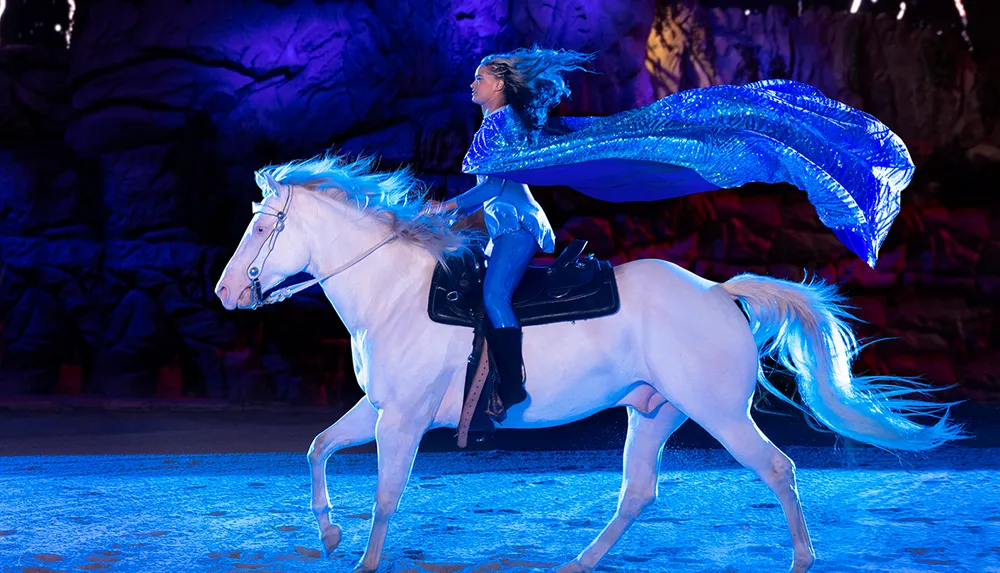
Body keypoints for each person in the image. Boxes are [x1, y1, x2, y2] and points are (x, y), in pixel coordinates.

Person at [439, 46, 915, 411]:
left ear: (501, 85)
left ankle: (513, 385)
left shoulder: (500, 127)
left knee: (496, 297)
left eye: (480, 78)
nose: (472, 85)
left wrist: (445, 208)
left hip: (516, 229)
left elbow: (494, 185)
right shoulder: (495, 126)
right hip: (502, 227)